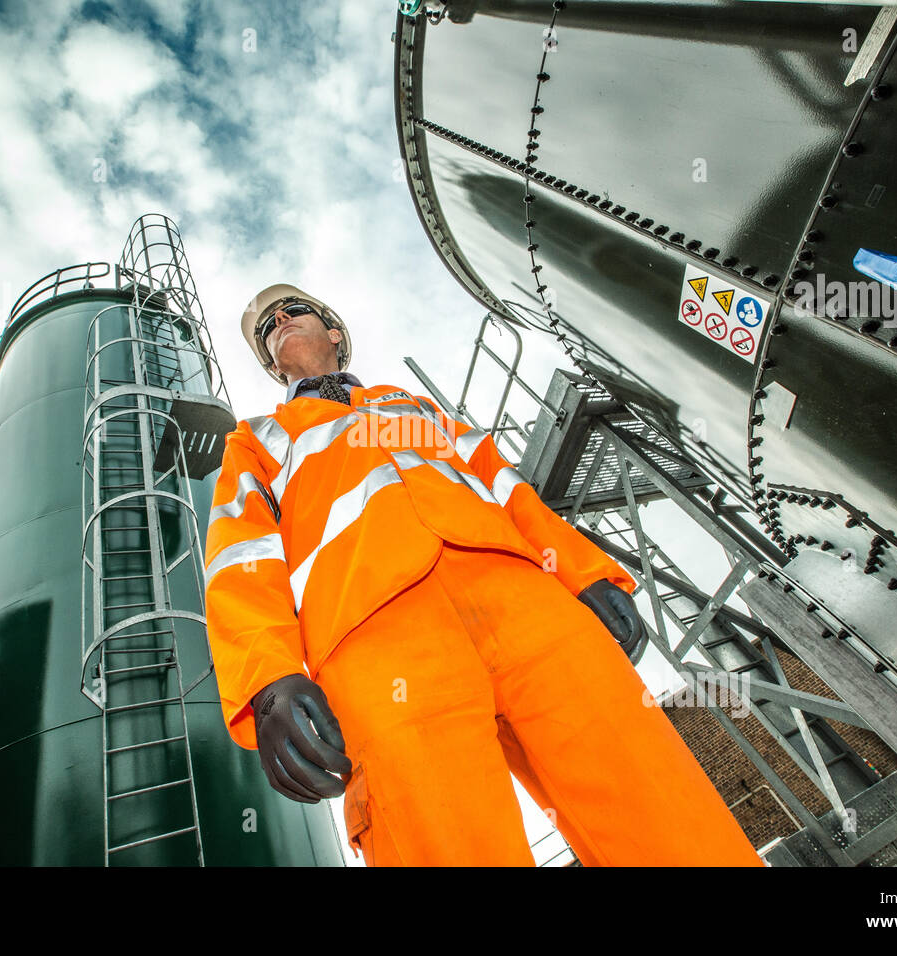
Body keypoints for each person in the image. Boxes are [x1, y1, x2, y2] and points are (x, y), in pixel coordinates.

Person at [202, 282, 762, 866]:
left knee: (649, 792)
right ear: (269, 365)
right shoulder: (256, 441)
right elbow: (240, 559)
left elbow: (506, 488)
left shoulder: (413, 407)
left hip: (523, 598)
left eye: (292, 310)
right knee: (446, 838)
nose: (279, 323)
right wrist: (268, 681)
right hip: (375, 636)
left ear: (335, 332)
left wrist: (583, 572)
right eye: (266, 329)